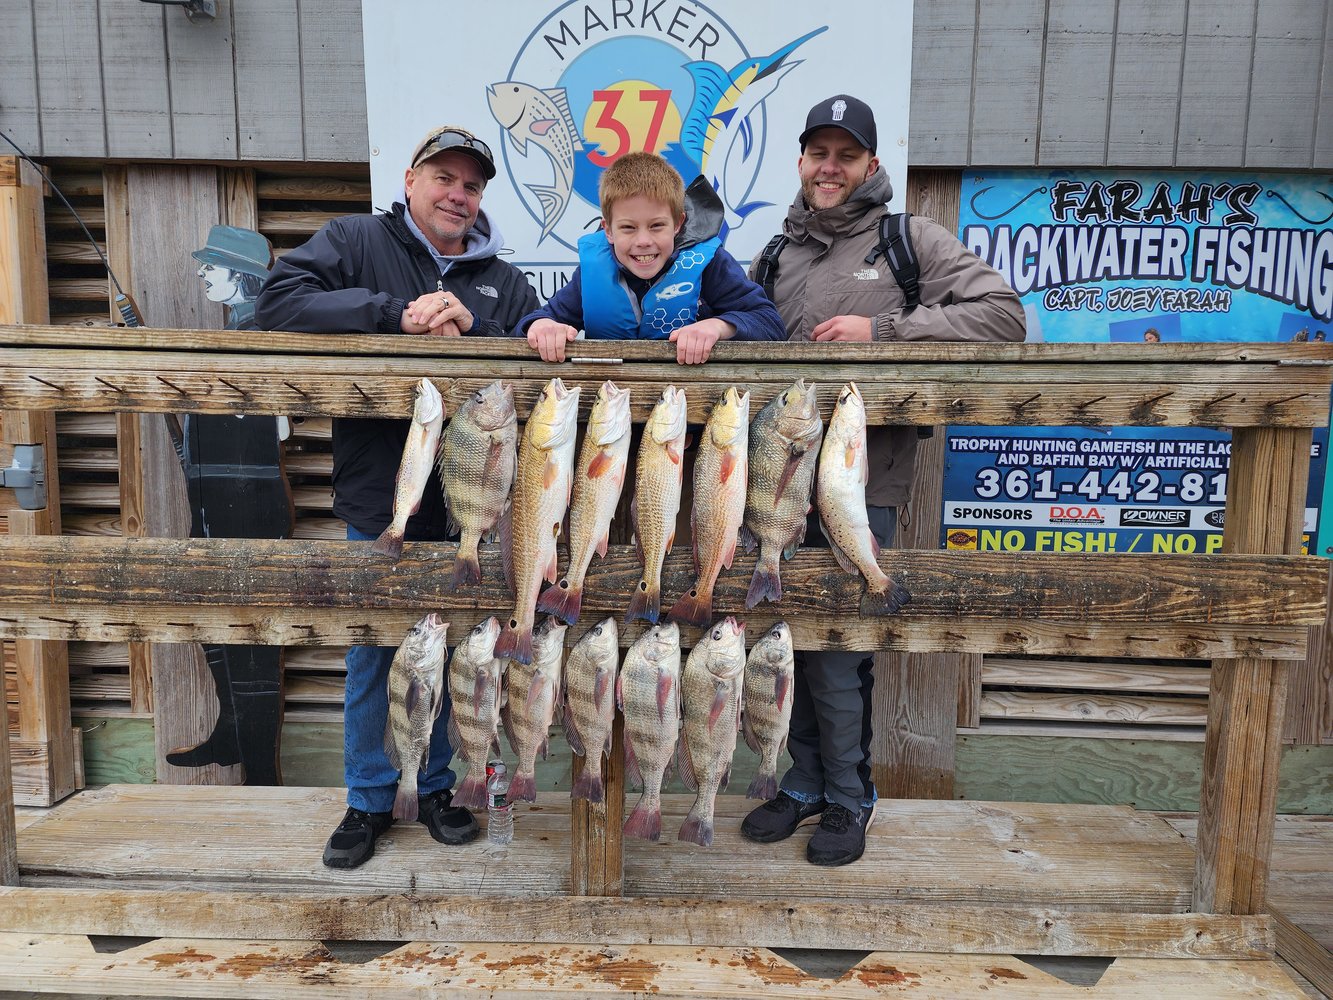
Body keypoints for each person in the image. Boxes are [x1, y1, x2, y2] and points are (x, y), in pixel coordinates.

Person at [739, 95, 1025, 866]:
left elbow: (1003, 314)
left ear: (869, 165)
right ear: (800, 162)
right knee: (781, 639)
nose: (829, 168)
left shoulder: (909, 240)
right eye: (816, 153)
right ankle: (798, 786)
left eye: (845, 155)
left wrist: (886, 330)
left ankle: (846, 799)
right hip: (775, 486)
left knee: (838, 648)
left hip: (862, 486)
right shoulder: (773, 253)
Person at [256, 124, 540, 869]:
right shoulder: (353, 240)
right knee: (373, 655)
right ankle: (368, 799)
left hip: (473, 513)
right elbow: (278, 302)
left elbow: (531, 338)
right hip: (380, 506)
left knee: (455, 658)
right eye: (444, 177)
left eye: (472, 185)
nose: (457, 194)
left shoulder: (503, 279)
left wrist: (474, 325)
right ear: (411, 179)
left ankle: (441, 787)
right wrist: (393, 314)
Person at [167, 226, 292, 785]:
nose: (201, 274)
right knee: (216, 623)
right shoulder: (231, 335)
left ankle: (261, 768)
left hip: (250, 506)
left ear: (242, 277)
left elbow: (276, 426)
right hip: (214, 500)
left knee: (256, 635)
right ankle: (230, 735)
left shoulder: (260, 336)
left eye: (212, 266)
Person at [517, 151, 785, 363]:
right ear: (608, 230)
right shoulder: (591, 273)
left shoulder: (711, 264)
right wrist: (541, 326)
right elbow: (530, 325)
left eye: (657, 226)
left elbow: (770, 324)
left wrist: (718, 327)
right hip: (612, 412)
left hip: (690, 415)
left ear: (678, 224)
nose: (643, 241)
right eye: (628, 228)